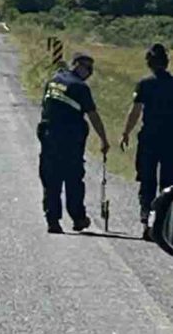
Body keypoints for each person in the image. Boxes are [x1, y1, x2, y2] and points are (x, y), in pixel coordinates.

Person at [37, 53, 110, 234]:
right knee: (73, 179)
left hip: (49, 136)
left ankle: (53, 220)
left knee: (51, 179)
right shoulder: (80, 87)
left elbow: (45, 107)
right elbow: (92, 114)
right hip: (69, 140)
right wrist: (103, 139)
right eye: (87, 67)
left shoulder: (53, 80)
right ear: (76, 65)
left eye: (91, 69)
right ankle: (77, 217)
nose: (89, 72)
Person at [120, 43, 173, 241]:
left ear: (149, 63)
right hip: (170, 140)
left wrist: (126, 132)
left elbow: (136, 111)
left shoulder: (145, 84)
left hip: (149, 138)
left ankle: (146, 222)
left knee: (147, 181)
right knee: (168, 183)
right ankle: (166, 225)